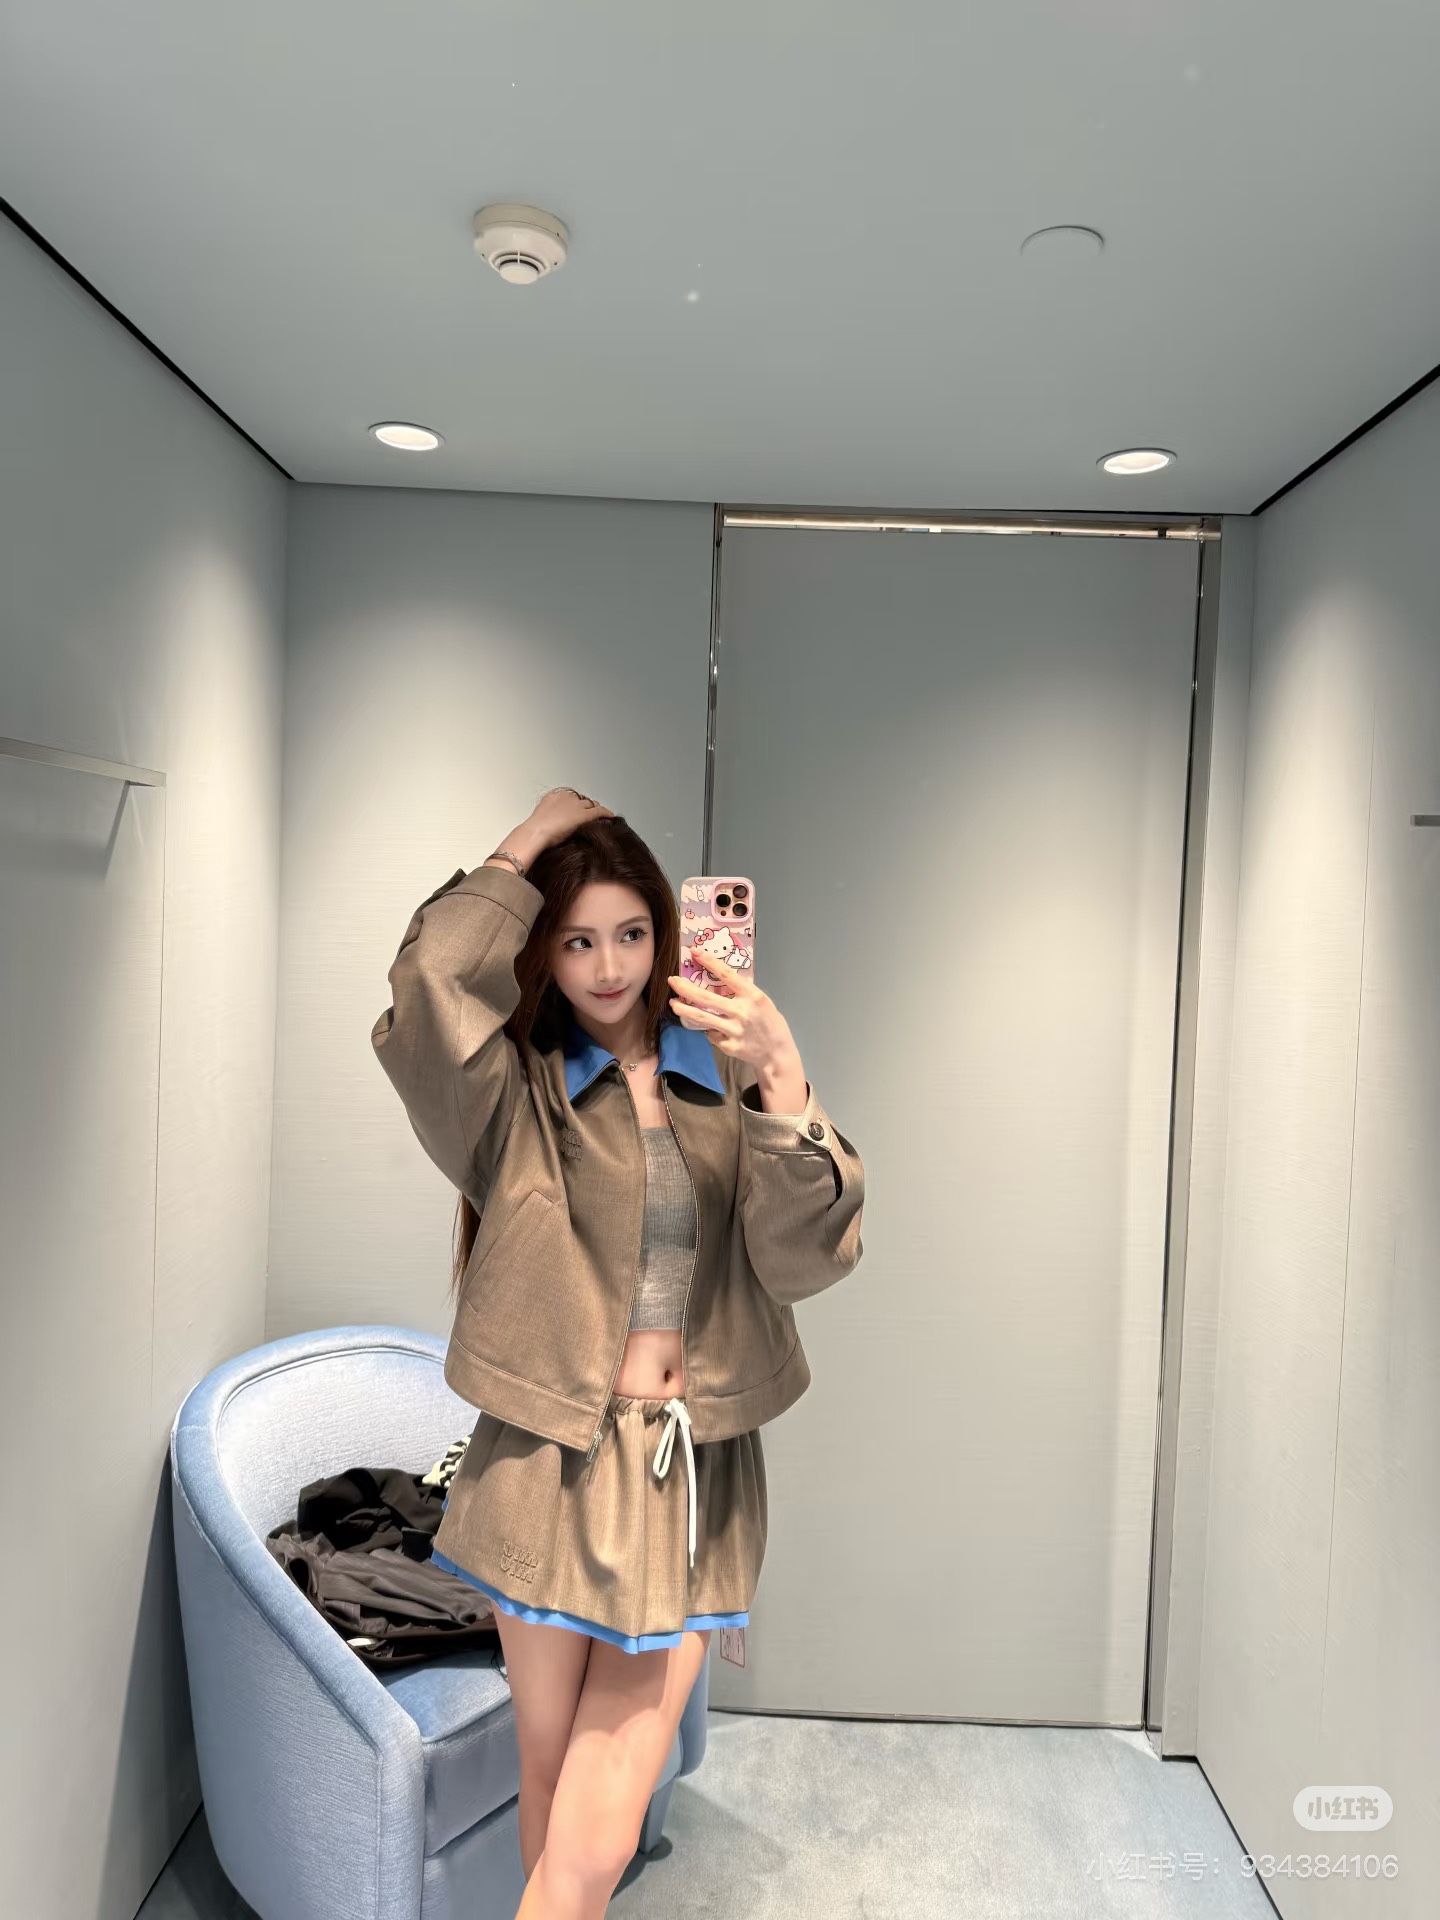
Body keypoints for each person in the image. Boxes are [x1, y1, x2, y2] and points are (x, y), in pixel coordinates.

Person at [372, 786, 865, 1920]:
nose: (608, 967)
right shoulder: (514, 1095)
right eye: (578, 940)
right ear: (545, 951)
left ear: (666, 932)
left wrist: (783, 1075)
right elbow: (430, 987)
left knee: (596, 1826)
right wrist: (526, 841)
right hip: (544, 1469)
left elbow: (803, 1260)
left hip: (684, 1483)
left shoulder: (726, 1080)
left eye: (632, 934)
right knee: (552, 1790)